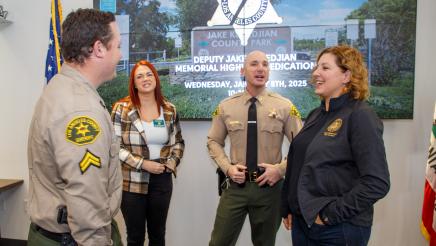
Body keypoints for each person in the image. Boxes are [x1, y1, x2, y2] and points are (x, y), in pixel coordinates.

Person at [27, 9, 123, 246]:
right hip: (75, 239)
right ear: (99, 49)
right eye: (118, 46)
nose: (121, 55)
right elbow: (86, 199)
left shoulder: (63, 88)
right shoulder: (81, 110)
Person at [281, 45, 390, 245]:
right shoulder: (316, 114)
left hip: (338, 229)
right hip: (303, 224)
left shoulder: (361, 115)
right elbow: (299, 162)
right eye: (316, 67)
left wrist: (329, 215)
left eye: (325, 68)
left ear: (346, 76)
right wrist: (289, 206)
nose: (316, 73)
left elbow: (377, 182)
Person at [207, 50, 303, 246]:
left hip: (269, 189)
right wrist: (228, 168)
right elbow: (213, 141)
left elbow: (301, 146)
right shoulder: (226, 106)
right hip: (235, 187)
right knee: (219, 242)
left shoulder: (285, 106)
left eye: (265, 64)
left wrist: (280, 170)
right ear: (242, 70)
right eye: (254, 64)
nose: (260, 68)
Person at [111, 60, 185, 246]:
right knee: (135, 237)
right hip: (132, 181)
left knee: (158, 235)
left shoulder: (169, 109)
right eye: (140, 76)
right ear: (134, 83)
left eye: (149, 74)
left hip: (162, 181)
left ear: (156, 78)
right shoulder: (121, 109)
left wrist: (172, 163)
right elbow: (113, 146)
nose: (145, 79)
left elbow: (178, 143)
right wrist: (142, 164)